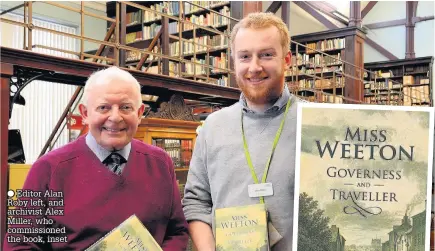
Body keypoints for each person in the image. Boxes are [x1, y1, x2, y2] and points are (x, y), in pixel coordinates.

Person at [4, 66, 189, 250]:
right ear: (85, 113)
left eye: (126, 107)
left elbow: (177, 232)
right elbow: (19, 245)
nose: (115, 117)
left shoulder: (161, 163)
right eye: (103, 107)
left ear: (139, 113)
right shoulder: (47, 170)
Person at [182, 12, 305, 251]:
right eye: (245, 56)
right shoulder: (212, 127)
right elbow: (196, 202)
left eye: (266, 55)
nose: (255, 67)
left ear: (287, 59)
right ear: (233, 62)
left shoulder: (316, 121)